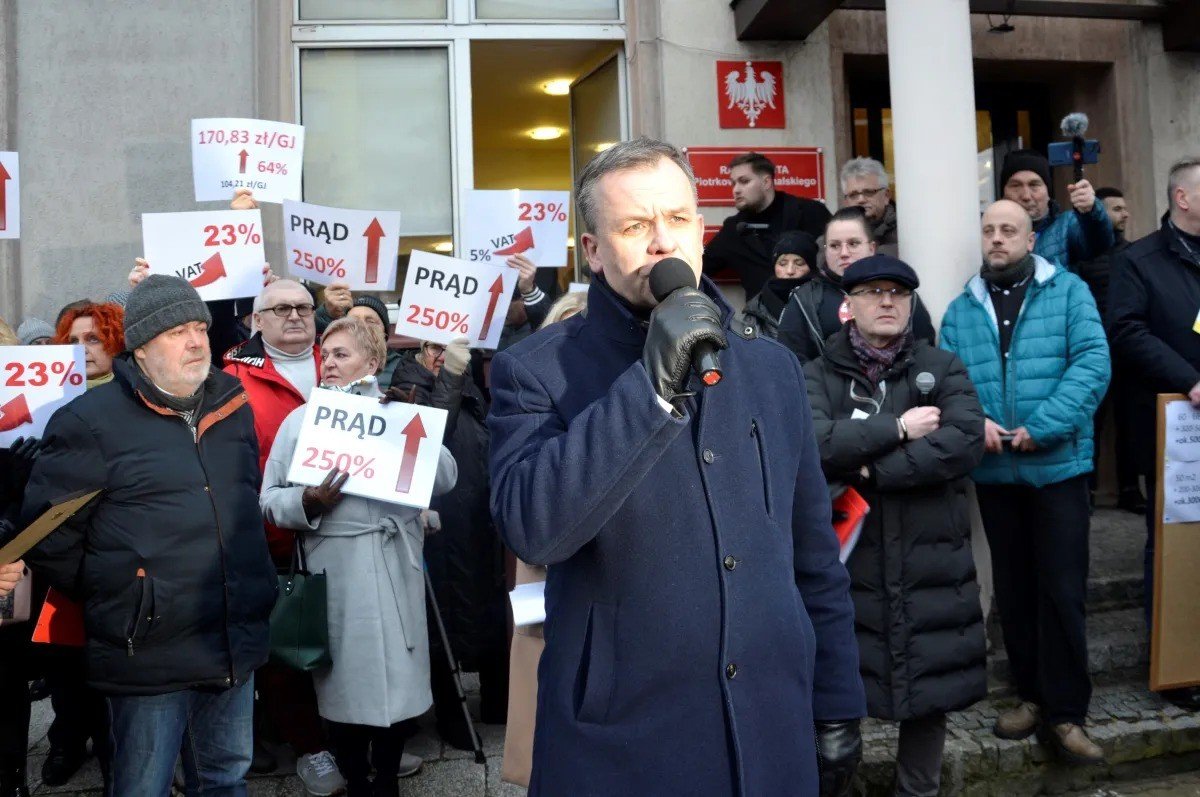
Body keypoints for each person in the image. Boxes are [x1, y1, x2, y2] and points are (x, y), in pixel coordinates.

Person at [488, 137, 865, 795]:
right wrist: (650, 391)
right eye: (635, 225)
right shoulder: (537, 369)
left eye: (678, 219)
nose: (662, 241)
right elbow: (534, 527)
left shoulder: (772, 368)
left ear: (700, 229)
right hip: (623, 744)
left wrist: (837, 697)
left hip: (769, 728)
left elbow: (813, 556)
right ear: (594, 250)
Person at [22, 275, 278, 795]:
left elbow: (242, 502)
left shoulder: (233, 405)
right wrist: (128, 593)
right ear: (140, 349)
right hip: (146, 649)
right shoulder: (88, 423)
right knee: (143, 785)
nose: (195, 341)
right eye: (176, 331)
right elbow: (49, 536)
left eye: (199, 328)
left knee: (226, 777)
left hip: (232, 634)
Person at [804, 254, 986, 796]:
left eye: (898, 294)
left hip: (931, 560)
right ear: (849, 304)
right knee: (839, 695)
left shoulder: (943, 367)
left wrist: (870, 470)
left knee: (928, 695)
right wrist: (901, 428)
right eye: (873, 292)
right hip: (848, 562)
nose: (887, 302)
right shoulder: (815, 373)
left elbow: (963, 442)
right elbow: (813, 443)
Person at [941, 199, 1110, 764]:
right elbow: (948, 378)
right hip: (995, 471)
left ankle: (1067, 713)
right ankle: (1031, 697)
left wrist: (1044, 426)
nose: (996, 239)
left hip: (1056, 467)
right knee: (1013, 593)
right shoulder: (963, 307)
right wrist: (976, 424)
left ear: (1031, 239)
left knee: (1061, 591)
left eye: (1008, 230)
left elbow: (1092, 361)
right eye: (988, 229)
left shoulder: (1068, 292)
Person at [261, 317, 457, 797]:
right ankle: (355, 777)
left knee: (396, 688)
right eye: (325, 355)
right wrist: (307, 502)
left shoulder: (397, 413)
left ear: (373, 363)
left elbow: (447, 479)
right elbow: (268, 498)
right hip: (336, 569)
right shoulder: (300, 420)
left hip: (396, 564)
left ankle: (387, 779)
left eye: (341, 354)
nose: (328, 363)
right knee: (344, 689)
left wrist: (416, 425)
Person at [221, 278, 350, 792]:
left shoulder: (341, 358)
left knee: (345, 636)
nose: (295, 316)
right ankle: (310, 748)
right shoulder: (230, 376)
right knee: (287, 646)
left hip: (344, 533)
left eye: (302, 306)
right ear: (257, 320)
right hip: (270, 533)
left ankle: (357, 738)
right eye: (280, 309)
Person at [1108, 156, 1200, 710]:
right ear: (1182, 199)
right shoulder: (1137, 260)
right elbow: (1125, 330)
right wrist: (1190, 380)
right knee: (1174, 544)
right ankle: (1179, 664)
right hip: (1176, 426)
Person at [390, 336, 509, 750]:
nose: (443, 355)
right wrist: (453, 376)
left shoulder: (466, 380)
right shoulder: (408, 379)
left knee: (488, 610)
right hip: (438, 521)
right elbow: (428, 439)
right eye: (434, 347)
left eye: (451, 348)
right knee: (444, 617)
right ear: (419, 351)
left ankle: (499, 704)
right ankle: (452, 716)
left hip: (476, 515)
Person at [34, 302, 126, 789]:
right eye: (73, 342)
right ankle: (68, 738)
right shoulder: (40, 398)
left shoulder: (136, 398)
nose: (84, 350)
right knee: (65, 665)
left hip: (117, 554)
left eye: (94, 339)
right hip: (59, 556)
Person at [778, 207, 935, 363]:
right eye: (834, 245)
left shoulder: (902, 294)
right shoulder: (804, 300)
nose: (844, 253)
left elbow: (926, 355)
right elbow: (790, 362)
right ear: (825, 251)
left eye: (853, 243)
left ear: (872, 248)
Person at [1077, 186, 1142, 512]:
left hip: (1128, 352)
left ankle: (1130, 489)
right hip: (1091, 353)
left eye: (1125, 208)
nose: (1125, 214)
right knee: (1092, 421)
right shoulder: (1083, 256)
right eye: (1116, 208)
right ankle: (1087, 491)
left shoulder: (1135, 255)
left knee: (1129, 421)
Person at [702, 151, 833, 298]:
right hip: (762, 316)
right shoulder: (734, 230)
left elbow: (837, 259)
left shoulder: (811, 213)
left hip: (812, 311)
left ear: (766, 182)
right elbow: (700, 267)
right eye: (733, 183)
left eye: (744, 181)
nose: (736, 190)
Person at [999, 149, 1113, 272]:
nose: (1026, 195)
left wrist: (1092, 211)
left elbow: (1099, 242)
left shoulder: (1067, 225)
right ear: (1003, 193)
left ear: (1048, 192)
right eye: (1016, 185)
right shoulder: (989, 231)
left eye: (1034, 185)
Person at [742, 230, 817, 340]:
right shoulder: (756, 309)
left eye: (799, 263)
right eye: (782, 263)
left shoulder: (823, 302)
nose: (790, 270)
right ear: (774, 267)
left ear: (811, 268)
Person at [55, 302, 124, 389]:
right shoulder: (52, 395)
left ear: (116, 343)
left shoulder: (138, 393)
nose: (80, 349)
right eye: (74, 341)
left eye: (93, 339)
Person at [840, 158, 898, 255]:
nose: (861, 199)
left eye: (869, 192)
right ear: (846, 202)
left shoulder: (905, 234)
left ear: (886, 196)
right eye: (853, 194)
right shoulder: (832, 241)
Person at [347, 295, 403, 387]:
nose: (362, 326)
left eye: (371, 322)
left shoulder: (404, 368)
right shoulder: (330, 363)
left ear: (384, 332)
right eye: (353, 322)